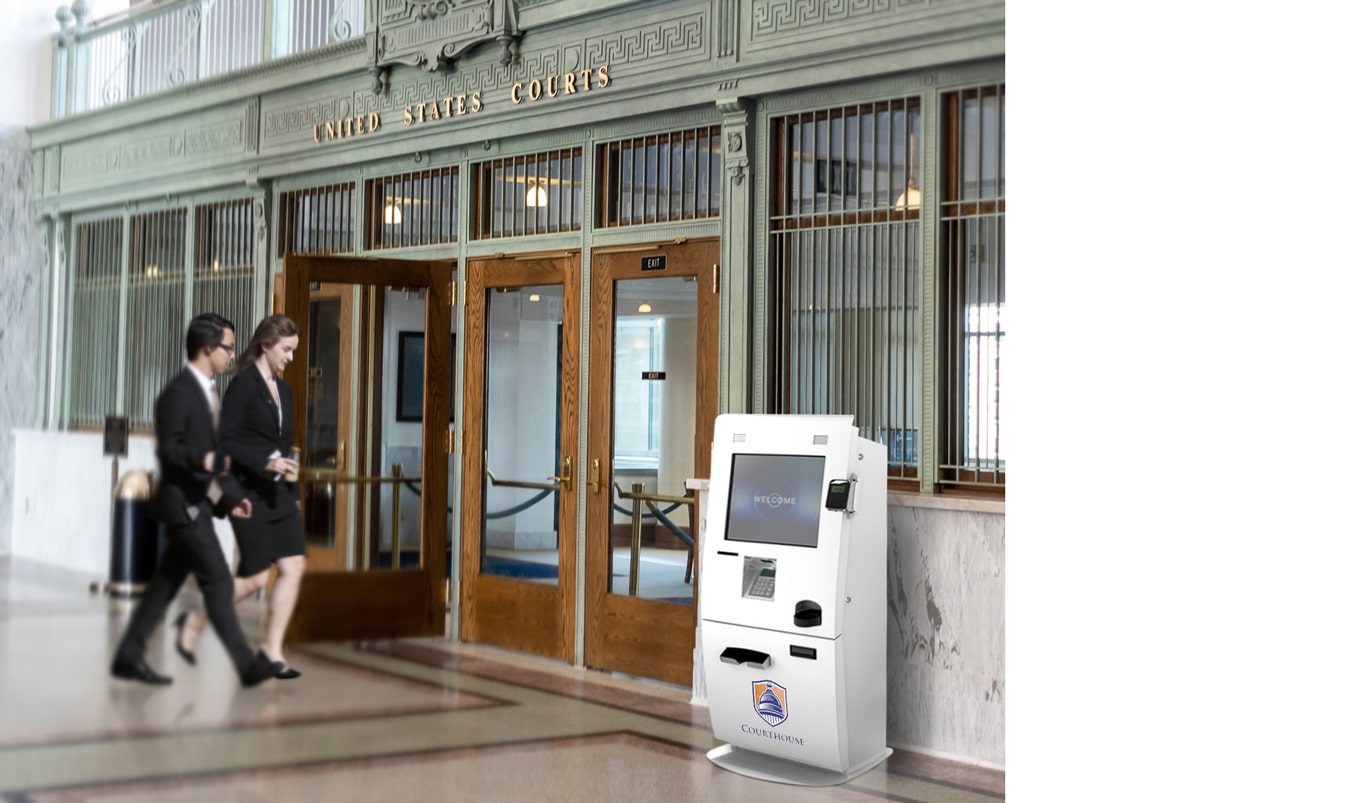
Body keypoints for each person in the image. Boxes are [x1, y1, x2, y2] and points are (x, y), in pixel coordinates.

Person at [111, 313, 281, 688]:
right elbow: (171, 450)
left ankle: (128, 654)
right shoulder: (178, 393)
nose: (232, 355)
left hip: (202, 502)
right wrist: (201, 459)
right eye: (228, 348)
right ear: (207, 348)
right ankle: (246, 666)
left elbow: (218, 455)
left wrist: (232, 497)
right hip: (183, 506)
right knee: (219, 581)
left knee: (166, 583)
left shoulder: (211, 391)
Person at [175, 314, 306, 679]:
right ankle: (197, 619)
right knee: (254, 578)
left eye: (293, 351)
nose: (290, 358)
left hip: (279, 494)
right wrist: (266, 461)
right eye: (286, 350)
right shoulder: (243, 387)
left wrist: (292, 492)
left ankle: (271, 651)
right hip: (249, 491)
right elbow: (227, 441)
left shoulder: (286, 391)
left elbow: (285, 446)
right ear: (265, 345)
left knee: (294, 567)